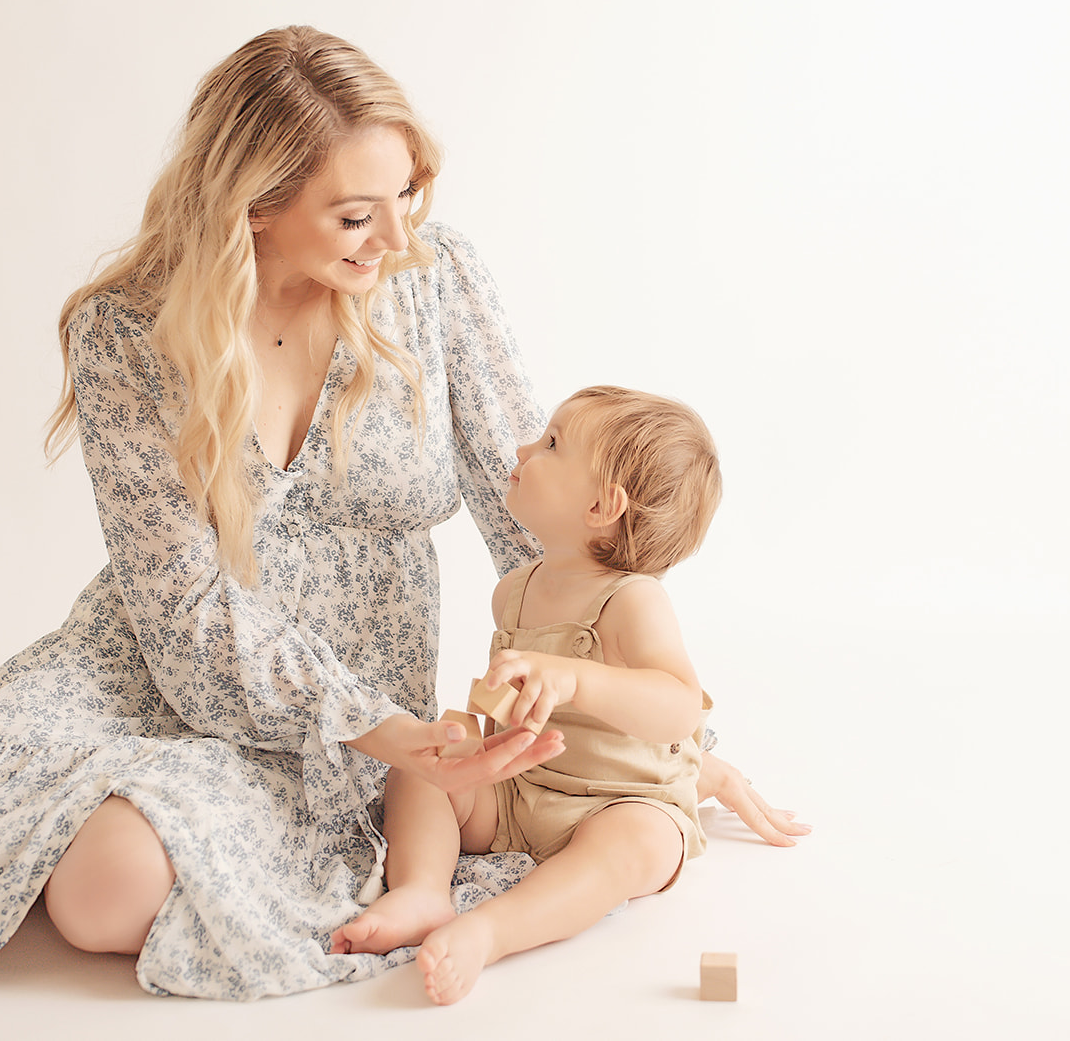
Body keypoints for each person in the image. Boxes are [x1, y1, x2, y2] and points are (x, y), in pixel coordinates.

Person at [0, 27, 803, 1009]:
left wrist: (667, 745)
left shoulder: (433, 281)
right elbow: (184, 608)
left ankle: (122, 824)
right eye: (352, 212)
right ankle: (62, 792)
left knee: (102, 895)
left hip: (362, 687)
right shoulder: (126, 333)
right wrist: (381, 728)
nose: (394, 238)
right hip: (166, 659)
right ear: (253, 203)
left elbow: (544, 519)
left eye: (404, 197)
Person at [333, 386, 789, 1005]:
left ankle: (494, 930)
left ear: (602, 505)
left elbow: (679, 704)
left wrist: (578, 678)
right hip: (521, 790)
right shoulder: (514, 591)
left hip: (617, 801)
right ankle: (421, 889)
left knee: (639, 845)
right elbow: (508, 709)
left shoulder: (633, 600)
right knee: (423, 765)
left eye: (551, 444)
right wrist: (484, 726)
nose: (524, 446)